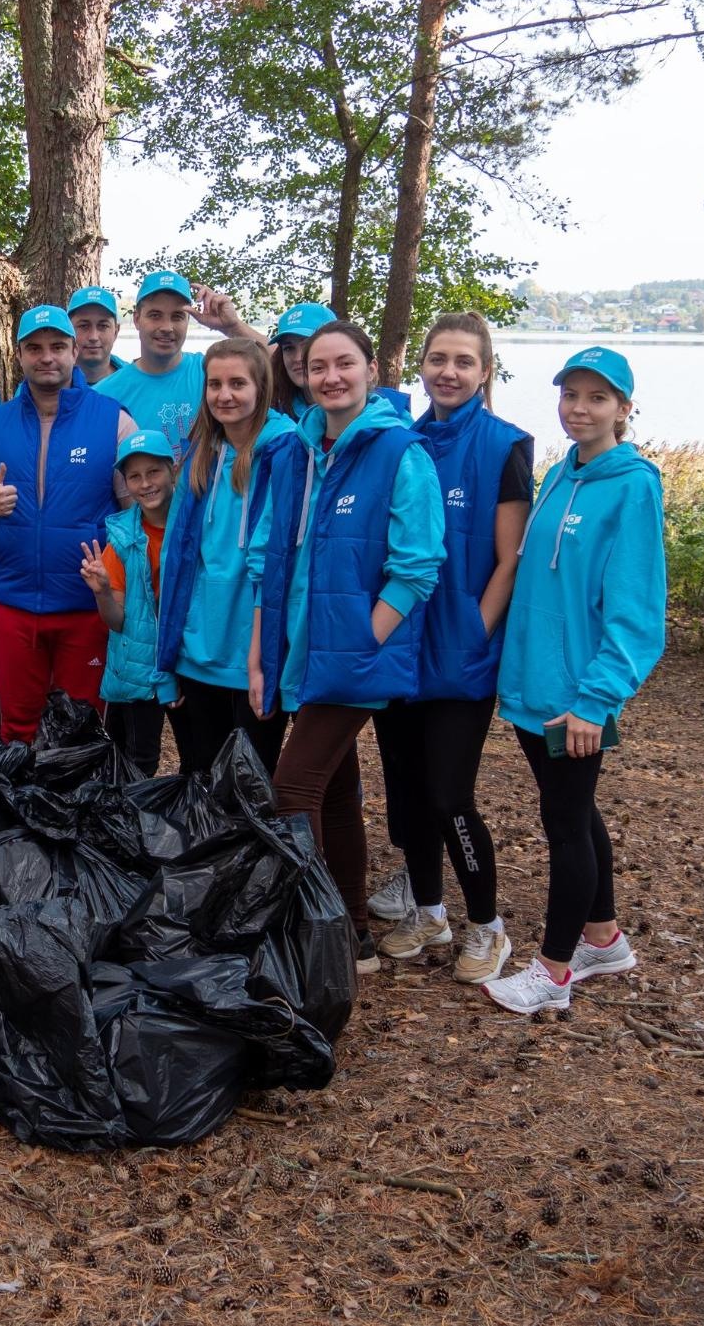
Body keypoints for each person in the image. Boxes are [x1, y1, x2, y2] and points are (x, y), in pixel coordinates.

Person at [247, 320, 445, 973]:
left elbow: (418, 565)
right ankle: (354, 933)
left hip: (351, 658)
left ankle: (318, 936)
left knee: (292, 787)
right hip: (302, 651)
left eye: (344, 364)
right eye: (317, 365)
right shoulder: (298, 451)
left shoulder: (399, 453)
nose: (329, 375)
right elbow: (278, 556)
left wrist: (366, 637)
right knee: (332, 791)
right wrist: (265, 649)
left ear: (369, 370)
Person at [483, 346, 665, 1014]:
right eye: (571, 395)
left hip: (577, 697)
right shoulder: (563, 471)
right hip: (535, 685)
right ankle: (603, 937)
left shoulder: (633, 486)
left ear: (623, 407)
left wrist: (596, 699)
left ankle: (554, 972)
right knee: (574, 811)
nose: (580, 408)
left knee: (564, 822)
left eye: (596, 397)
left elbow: (636, 612)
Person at [371, 313, 533, 986]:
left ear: (485, 370)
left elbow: (509, 558)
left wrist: (475, 630)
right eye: (438, 358)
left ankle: (487, 925)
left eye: (464, 361)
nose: (448, 371)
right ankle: (430, 912)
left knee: (449, 795)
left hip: (461, 652)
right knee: (406, 793)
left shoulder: (505, 445)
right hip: (401, 646)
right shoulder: (402, 442)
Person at [0, 304, 136, 743]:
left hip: (86, 608)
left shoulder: (112, 420)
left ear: (73, 351)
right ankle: (17, 809)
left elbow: (137, 513)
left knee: (80, 730)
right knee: (16, 726)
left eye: (56, 346)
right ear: (20, 356)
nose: (46, 357)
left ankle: (77, 811)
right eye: (34, 348)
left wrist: (121, 585)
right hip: (14, 605)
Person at [155, 337, 299, 775]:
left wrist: (261, 661)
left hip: (253, 653)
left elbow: (273, 566)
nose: (225, 394)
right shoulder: (203, 453)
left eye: (238, 383)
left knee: (249, 786)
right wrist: (167, 660)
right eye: (215, 384)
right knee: (200, 778)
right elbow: (178, 559)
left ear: (261, 387)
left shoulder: (286, 448)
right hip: (198, 649)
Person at [78, 430, 180, 776]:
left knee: (201, 756)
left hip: (189, 662)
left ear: (172, 470)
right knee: (133, 761)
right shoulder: (122, 539)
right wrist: (102, 591)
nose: (145, 484)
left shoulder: (194, 525)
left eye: (153, 472)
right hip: (136, 669)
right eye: (134, 476)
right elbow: (117, 621)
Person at [95, 269, 265, 459]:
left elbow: (280, 364)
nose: (167, 327)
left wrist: (232, 326)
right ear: (136, 319)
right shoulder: (104, 395)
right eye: (155, 315)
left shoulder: (211, 372)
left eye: (177, 316)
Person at [269, 300, 412, 422]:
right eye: (288, 348)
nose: (298, 357)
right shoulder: (276, 416)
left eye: (307, 346)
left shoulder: (392, 414)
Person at [68, 286, 131, 384]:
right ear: (69, 331)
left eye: (103, 326)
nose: (93, 337)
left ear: (116, 331)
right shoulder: (47, 385)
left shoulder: (133, 381)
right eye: (84, 326)